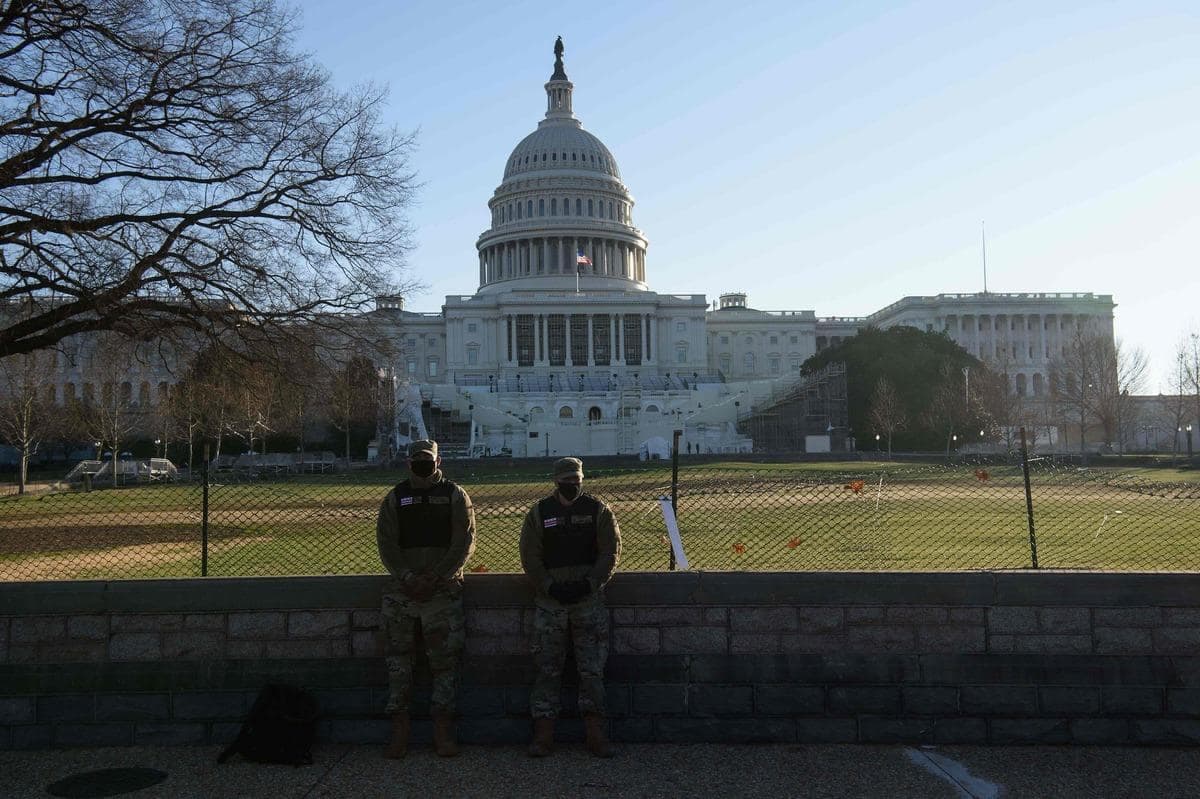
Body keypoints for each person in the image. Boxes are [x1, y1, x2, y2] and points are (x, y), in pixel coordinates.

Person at [376, 439, 475, 759]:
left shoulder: (455, 495)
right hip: (403, 593)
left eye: (428, 459)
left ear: (438, 461)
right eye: (417, 459)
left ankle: (443, 732)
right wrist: (407, 577)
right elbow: (386, 543)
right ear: (409, 463)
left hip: (442, 591)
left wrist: (436, 576)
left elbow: (465, 541)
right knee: (398, 663)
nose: (423, 463)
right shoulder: (395, 497)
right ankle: (399, 731)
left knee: (445, 663)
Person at [519, 457, 621, 758]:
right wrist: (549, 586)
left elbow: (610, 552)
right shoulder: (539, 513)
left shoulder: (598, 511)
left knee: (592, 669)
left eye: (576, 480)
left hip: (587, 601)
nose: (571, 485)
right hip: (550, 603)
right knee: (547, 669)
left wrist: (589, 584)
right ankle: (543, 734)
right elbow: (530, 555)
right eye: (566, 481)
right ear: (556, 481)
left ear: (582, 479)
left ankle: (595, 732)